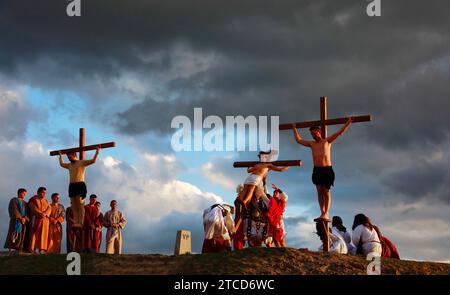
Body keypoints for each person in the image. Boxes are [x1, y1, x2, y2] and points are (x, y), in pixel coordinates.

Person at [291, 118, 353, 222]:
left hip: (327, 169)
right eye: (312, 134)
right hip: (317, 170)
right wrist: (294, 128)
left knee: (326, 191)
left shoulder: (327, 141)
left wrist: (348, 123)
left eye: (314, 133)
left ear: (319, 132)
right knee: (319, 191)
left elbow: (339, 133)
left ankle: (326, 213)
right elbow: (299, 140)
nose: (313, 136)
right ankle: (322, 212)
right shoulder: (312, 144)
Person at [58, 146, 100, 229]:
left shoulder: (81, 162)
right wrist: (60, 156)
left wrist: (97, 151)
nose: (69, 159)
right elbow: (62, 164)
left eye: (70, 157)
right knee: (74, 205)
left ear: (74, 155)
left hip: (80, 185)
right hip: (72, 186)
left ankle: (80, 222)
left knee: (80, 205)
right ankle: (76, 221)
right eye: (68, 158)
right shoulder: (69, 165)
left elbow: (93, 161)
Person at [4, 188, 29, 254]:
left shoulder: (25, 203)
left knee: (22, 235)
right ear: (19, 193)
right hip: (15, 220)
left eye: (25, 194)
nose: (24, 195)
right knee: (13, 234)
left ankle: (19, 249)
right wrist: (20, 218)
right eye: (23, 193)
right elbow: (14, 210)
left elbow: (27, 212)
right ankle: (10, 249)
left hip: (23, 222)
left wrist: (25, 218)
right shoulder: (14, 200)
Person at [29, 187, 51, 254]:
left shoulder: (46, 201)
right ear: (38, 192)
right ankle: (34, 248)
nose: (44, 194)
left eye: (45, 193)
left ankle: (42, 249)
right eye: (43, 192)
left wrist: (45, 214)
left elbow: (49, 208)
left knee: (44, 235)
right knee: (35, 234)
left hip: (44, 221)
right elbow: (33, 207)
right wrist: (40, 214)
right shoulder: (33, 199)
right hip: (36, 219)